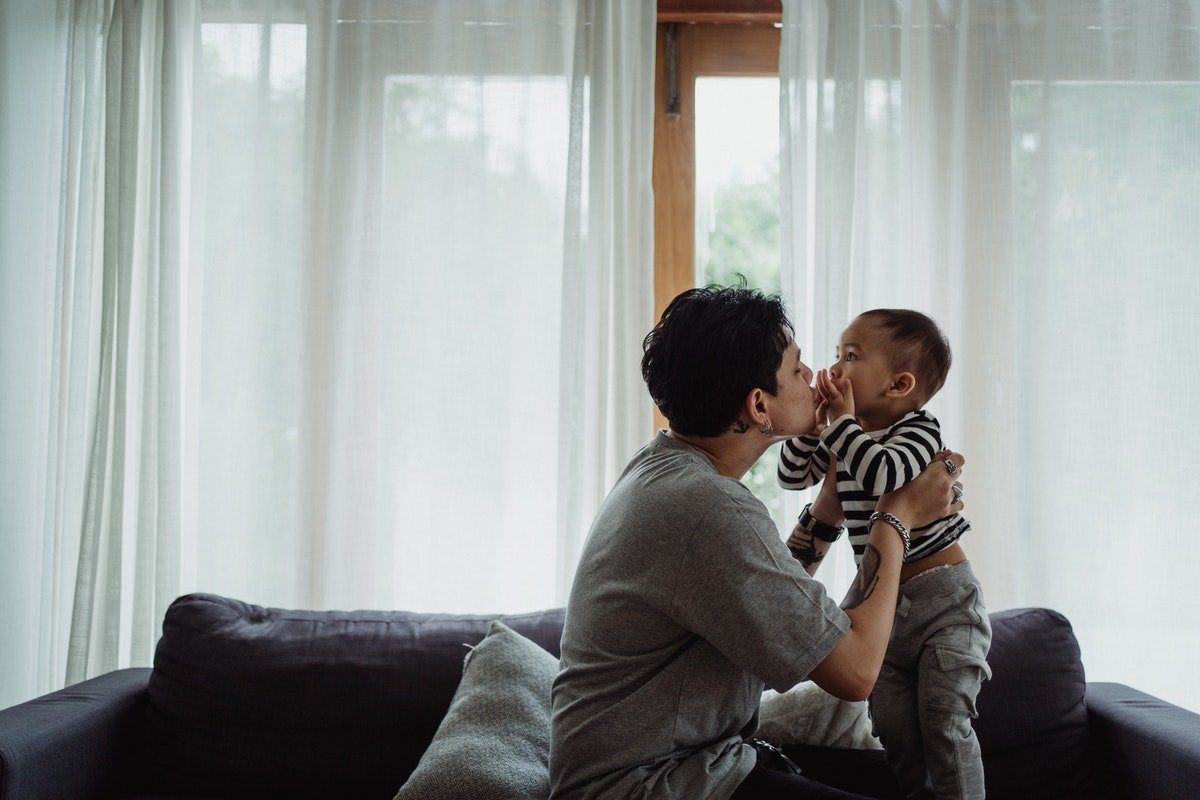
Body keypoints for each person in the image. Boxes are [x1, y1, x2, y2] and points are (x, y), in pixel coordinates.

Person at [549, 285, 966, 800]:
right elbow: (857, 671)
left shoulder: (663, 469)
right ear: (758, 405)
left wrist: (831, 501)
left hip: (689, 764)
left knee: (902, 782)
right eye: (797, 368)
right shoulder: (708, 508)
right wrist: (897, 513)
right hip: (648, 785)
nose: (816, 376)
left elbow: (766, 595)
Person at [778, 309, 990, 800]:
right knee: (894, 727)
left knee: (945, 722)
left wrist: (839, 428)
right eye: (835, 356)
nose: (834, 369)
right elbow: (793, 478)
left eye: (849, 357)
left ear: (898, 384)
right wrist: (812, 429)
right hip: (884, 609)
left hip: (945, 602)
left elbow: (884, 477)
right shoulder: (844, 437)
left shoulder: (918, 429)